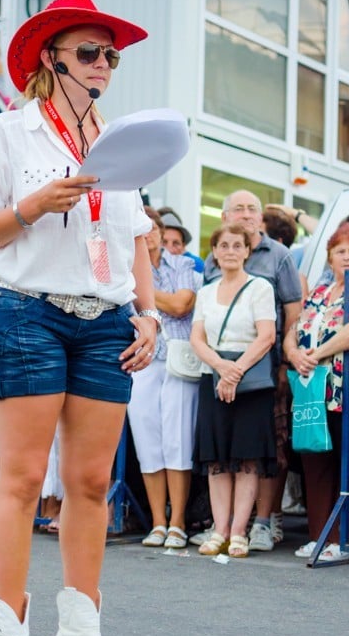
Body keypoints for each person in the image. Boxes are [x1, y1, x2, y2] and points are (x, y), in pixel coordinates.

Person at [0, 0, 155, 636]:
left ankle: (80, 634)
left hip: (105, 321)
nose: (104, 65)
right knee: (19, 480)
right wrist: (31, 208)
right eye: (88, 53)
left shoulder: (121, 140)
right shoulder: (8, 135)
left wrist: (146, 311)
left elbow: (134, 234)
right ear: (51, 58)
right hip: (27, 312)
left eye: (111, 55)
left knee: (91, 485)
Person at [203, 190, 302, 552]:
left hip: (266, 366)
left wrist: (286, 361)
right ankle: (225, 526)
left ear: (261, 217)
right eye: (238, 208)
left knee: (265, 447)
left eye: (252, 208)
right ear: (225, 215)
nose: (245, 213)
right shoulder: (212, 264)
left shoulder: (279, 255)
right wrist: (222, 368)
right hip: (218, 368)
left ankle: (262, 521)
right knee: (225, 449)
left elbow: (293, 311)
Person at [283, 223, 349, 561]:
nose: (346, 256)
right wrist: (294, 352)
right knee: (317, 461)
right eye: (340, 251)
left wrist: (315, 353)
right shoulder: (319, 292)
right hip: (317, 390)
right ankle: (320, 537)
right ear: (329, 258)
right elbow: (295, 328)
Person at [190, 224, 277, 558]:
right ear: (214, 251)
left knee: (246, 459)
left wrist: (236, 370)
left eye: (236, 245)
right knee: (216, 459)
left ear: (246, 251)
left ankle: (239, 532)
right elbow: (197, 338)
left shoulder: (260, 288)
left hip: (251, 380)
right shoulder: (206, 291)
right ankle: (219, 529)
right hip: (213, 375)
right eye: (222, 245)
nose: (229, 250)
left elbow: (266, 336)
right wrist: (221, 368)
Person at [127, 207, 198, 549]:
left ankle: (178, 522)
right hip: (141, 360)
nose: (150, 233)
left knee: (177, 439)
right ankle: (158, 521)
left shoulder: (182, 264)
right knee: (148, 441)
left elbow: (184, 305)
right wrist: (159, 303)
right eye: (144, 228)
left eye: (154, 227)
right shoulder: (124, 266)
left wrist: (145, 299)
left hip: (177, 360)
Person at [158, 208, 204, 274]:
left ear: (183, 246)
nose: (169, 249)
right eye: (163, 242)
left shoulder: (194, 265)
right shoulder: (143, 266)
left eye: (176, 243)